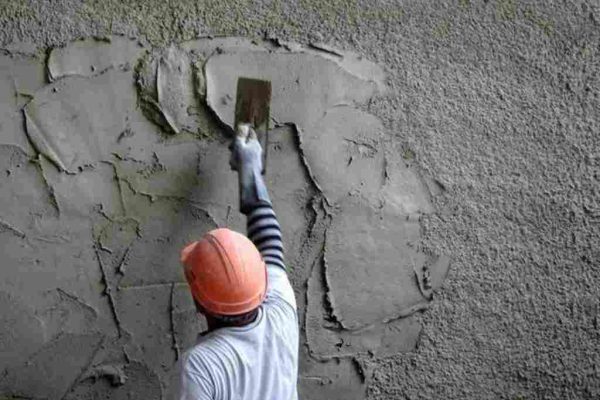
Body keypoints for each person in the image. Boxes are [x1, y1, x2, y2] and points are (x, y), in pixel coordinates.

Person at [179, 124, 299, 400]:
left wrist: (249, 168)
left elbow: (269, 246)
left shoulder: (202, 366)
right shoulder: (280, 312)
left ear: (198, 303)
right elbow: (269, 241)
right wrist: (250, 168)